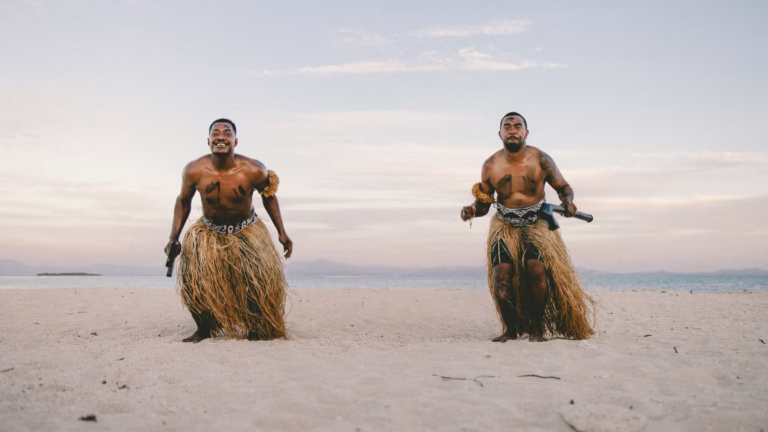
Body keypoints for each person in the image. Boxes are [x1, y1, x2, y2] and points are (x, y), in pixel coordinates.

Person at [461, 112, 595, 342]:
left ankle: (536, 329)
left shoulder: (541, 158)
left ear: (526, 132)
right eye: (507, 126)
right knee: (501, 275)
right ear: (500, 133)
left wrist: (568, 201)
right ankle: (510, 330)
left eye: (517, 126)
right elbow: (484, 204)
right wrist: (472, 211)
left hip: (537, 222)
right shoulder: (490, 165)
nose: (512, 130)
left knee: (536, 269)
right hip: (504, 224)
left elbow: (563, 187)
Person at [165, 118, 292, 343]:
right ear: (208, 141)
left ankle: (256, 328)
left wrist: (282, 232)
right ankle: (204, 329)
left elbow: (269, 197)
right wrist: (173, 237)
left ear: (235, 141)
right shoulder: (194, 170)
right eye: (216, 133)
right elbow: (183, 201)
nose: (221, 136)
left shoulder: (254, 169)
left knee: (257, 280)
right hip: (208, 232)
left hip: (247, 230)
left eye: (227, 133)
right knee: (193, 279)